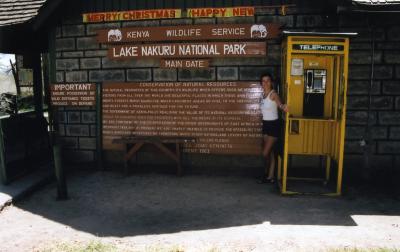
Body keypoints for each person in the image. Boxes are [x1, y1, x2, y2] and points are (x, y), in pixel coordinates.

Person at [258, 73, 288, 184]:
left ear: (271, 82)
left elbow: (280, 104)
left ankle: (268, 174)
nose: (265, 83)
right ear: (261, 83)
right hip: (266, 125)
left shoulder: (273, 94)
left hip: (273, 125)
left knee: (265, 153)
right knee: (269, 153)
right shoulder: (262, 95)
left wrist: (283, 107)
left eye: (268, 80)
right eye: (263, 81)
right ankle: (270, 177)